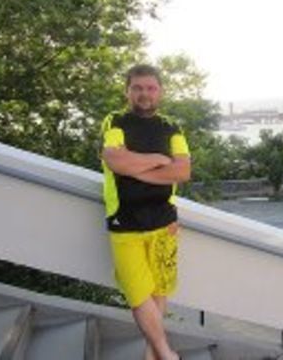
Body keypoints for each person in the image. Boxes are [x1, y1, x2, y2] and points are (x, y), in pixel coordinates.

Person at [100, 64, 191, 360]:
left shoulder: (172, 127)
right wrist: (157, 159)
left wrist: (134, 168)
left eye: (150, 88)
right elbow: (115, 160)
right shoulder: (115, 121)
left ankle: (153, 355)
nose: (144, 93)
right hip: (124, 222)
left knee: (158, 292)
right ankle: (165, 353)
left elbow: (182, 170)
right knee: (139, 295)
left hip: (164, 223)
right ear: (127, 91)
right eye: (137, 88)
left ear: (160, 91)